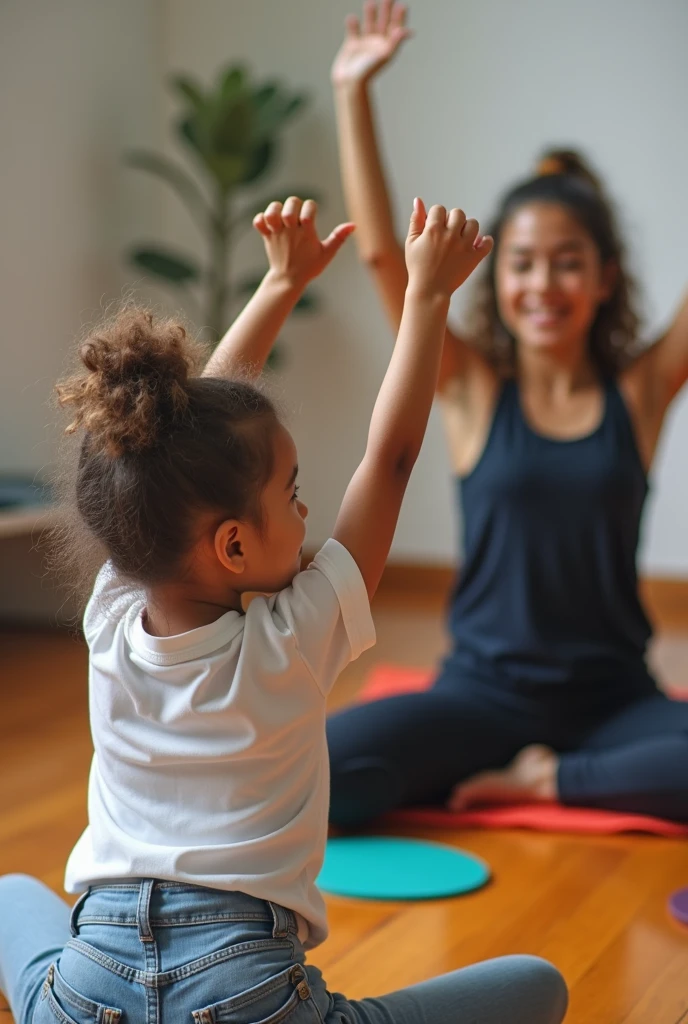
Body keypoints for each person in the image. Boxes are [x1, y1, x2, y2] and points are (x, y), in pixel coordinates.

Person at [0, 197, 567, 1024]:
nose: (306, 515)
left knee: (14, 890)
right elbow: (394, 456)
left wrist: (278, 285)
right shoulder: (293, 639)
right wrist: (427, 299)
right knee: (538, 985)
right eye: (294, 495)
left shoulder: (110, 611)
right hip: (250, 996)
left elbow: (183, 446)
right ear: (231, 545)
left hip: (91, 990)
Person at [327, 0, 688, 828]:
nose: (544, 284)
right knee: (315, 774)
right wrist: (353, 94)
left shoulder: (641, 391)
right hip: (483, 696)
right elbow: (384, 255)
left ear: (604, 280)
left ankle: (550, 781)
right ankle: (577, 773)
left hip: (616, 697)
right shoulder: (469, 385)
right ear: (497, 279)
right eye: (523, 263)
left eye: (569, 264)